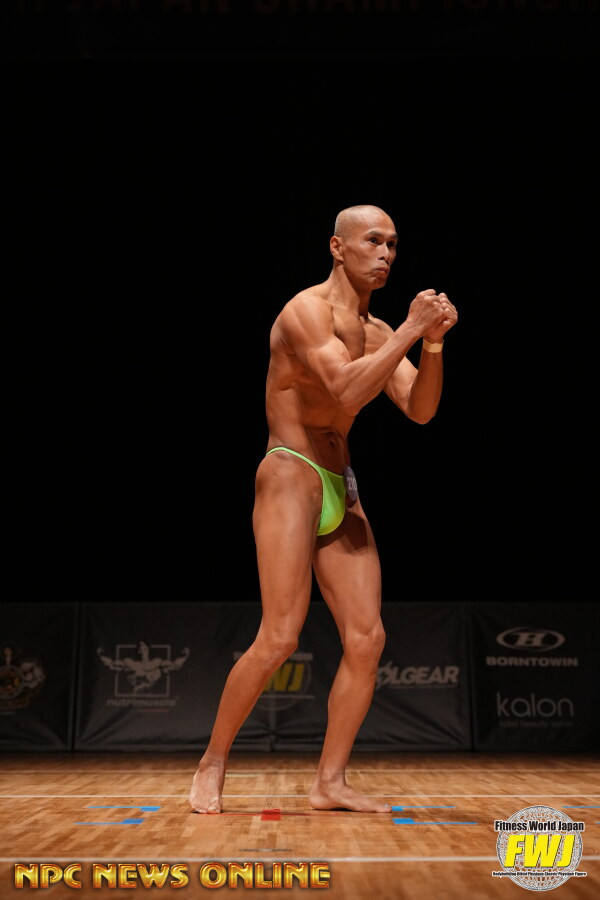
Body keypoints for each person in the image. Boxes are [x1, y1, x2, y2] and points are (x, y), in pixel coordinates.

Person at [189, 204, 458, 814]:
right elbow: (345, 389)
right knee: (280, 635)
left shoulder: (381, 331)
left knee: (367, 639)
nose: (386, 254)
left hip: (342, 481)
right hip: (291, 471)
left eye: (393, 244)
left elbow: (419, 409)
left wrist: (433, 344)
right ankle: (213, 760)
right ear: (337, 247)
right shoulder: (305, 312)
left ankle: (329, 782)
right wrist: (412, 329)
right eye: (373, 241)